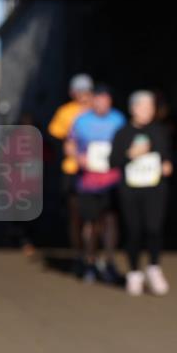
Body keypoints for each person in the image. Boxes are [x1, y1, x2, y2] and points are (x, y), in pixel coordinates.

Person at [111, 90, 172, 296]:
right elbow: (113, 161)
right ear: (133, 108)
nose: (148, 111)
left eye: (151, 107)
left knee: (153, 228)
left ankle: (154, 268)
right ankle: (134, 272)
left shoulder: (159, 131)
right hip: (131, 189)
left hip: (154, 188)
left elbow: (167, 155)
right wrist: (130, 155)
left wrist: (167, 165)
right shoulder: (122, 133)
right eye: (144, 107)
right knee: (134, 230)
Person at [68, 84, 126, 284]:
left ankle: (109, 261)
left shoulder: (119, 119)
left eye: (105, 99)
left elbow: (126, 144)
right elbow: (70, 144)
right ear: (93, 100)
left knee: (110, 222)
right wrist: (78, 157)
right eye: (98, 99)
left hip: (112, 180)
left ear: (110, 101)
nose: (101, 102)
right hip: (88, 181)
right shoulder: (81, 121)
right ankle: (89, 261)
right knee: (90, 224)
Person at [48, 74, 93, 273]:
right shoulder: (65, 112)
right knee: (76, 215)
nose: (83, 95)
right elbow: (56, 138)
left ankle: (92, 254)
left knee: (95, 216)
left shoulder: (97, 110)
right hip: (73, 170)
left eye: (86, 90)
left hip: (96, 171)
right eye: (79, 90)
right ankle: (78, 253)